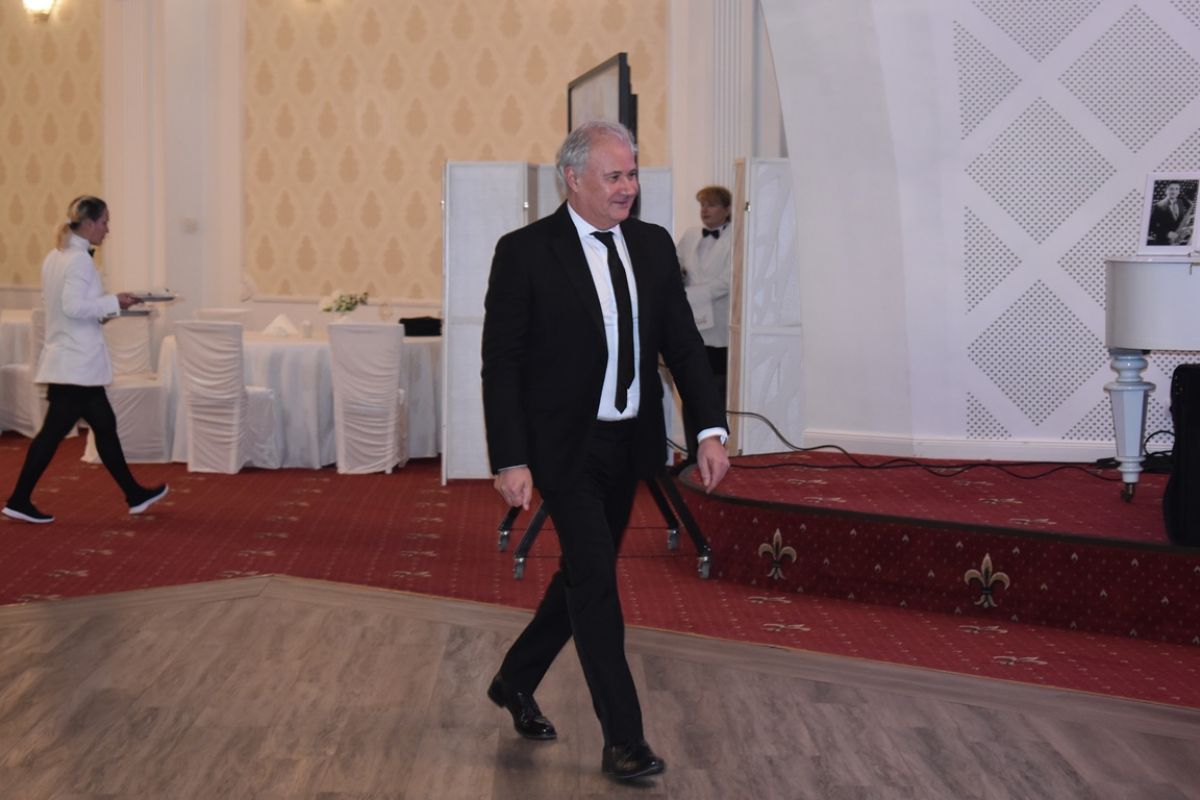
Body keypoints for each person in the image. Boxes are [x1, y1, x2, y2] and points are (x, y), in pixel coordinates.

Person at [480, 120, 730, 782]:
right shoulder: (526, 252)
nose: (628, 188)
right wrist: (510, 458)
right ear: (572, 178)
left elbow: (683, 345)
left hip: (629, 443)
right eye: (613, 176)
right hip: (564, 448)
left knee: (580, 575)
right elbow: (502, 364)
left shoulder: (650, 245)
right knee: (596, 583)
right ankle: (624, 739)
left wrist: (709, 429)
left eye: (632, 174)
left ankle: (515, 677)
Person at [2, 196, 168, 524]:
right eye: (105, 222)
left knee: (104, 426)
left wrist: (111, 307)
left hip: (70, 359)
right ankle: (19, 499)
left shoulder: (56, 256)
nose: (107, 229)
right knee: (54, 434)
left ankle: (134, 494)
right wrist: (113, 301)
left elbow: (64, 308)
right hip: (76, 363)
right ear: (90, 223)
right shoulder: (78, 260)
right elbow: (73, 307)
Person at [674, 185, 733, 469]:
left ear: (727, 209)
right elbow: (674, 265)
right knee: (690, 389)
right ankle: (691, 453)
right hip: (692, 325)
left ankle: (714, 453)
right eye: (702, 205)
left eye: (711, 205)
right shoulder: (690, 235)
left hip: (719, 328)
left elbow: (728, 281)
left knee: (715, 394)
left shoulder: (736, 238)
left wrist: (692, 294)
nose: (705, 210)